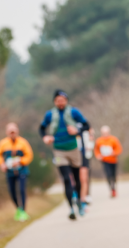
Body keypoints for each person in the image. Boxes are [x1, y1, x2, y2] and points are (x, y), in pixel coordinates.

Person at [39, 90, 91, 220]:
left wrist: (77, 130)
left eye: (62, 100)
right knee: (66, 179)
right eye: (57, 100)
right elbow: (41, 128)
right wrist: (45, 137)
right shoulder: (50, 114)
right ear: (54, 102)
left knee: (77, 179)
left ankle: (79, 201)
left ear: (66, 100)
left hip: (74, 149)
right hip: (58, 150)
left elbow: (87, 125)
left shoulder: (74, 112)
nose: (60, 102)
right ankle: (71, 208)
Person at [0, 122, 34, 222]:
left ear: (17, 131)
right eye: (10, 131)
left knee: (21, 190)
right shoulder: (3, 143)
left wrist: (20, 161)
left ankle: (23, 212)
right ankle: (19, 209)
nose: (12, 133)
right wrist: (2, 164)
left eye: (14, 131)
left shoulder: (23, 142)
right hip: (9, 171)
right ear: (7, 132)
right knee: (12, 192)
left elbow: (29, 155)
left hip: (22, 170)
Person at [93, 125, 122, 197]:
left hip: (113, 160)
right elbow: (96, 151)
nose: (105, 134)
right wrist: (98, 156)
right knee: (108, 175)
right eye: (103, 133)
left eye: (106, 133)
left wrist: (114, 153)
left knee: (113, 175)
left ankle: (114, 187)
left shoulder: (114, 139)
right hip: (105, 161)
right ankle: (111, 189)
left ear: (109, 132)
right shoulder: (99, 140)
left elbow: (119, 149)